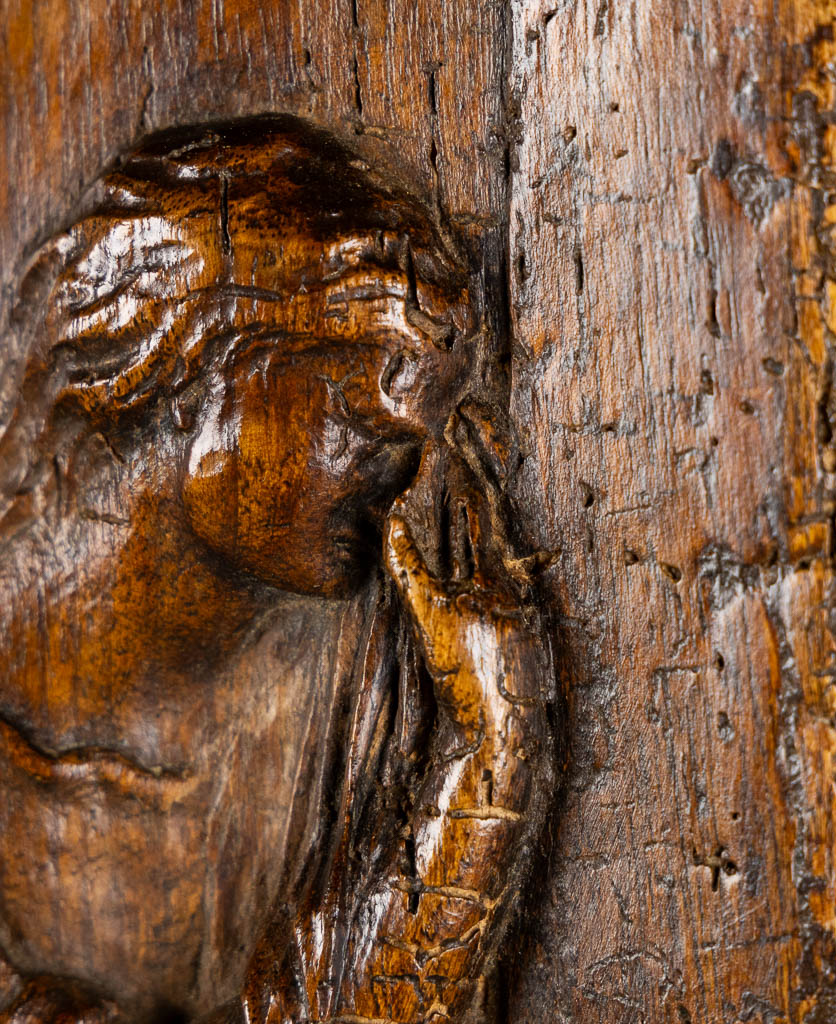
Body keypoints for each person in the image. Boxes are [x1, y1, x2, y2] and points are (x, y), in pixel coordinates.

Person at [0, 115, 551, 1024]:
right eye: (355, 386)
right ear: (198, 362)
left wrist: (495, 749)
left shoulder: (366, 697)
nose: (410, 445)